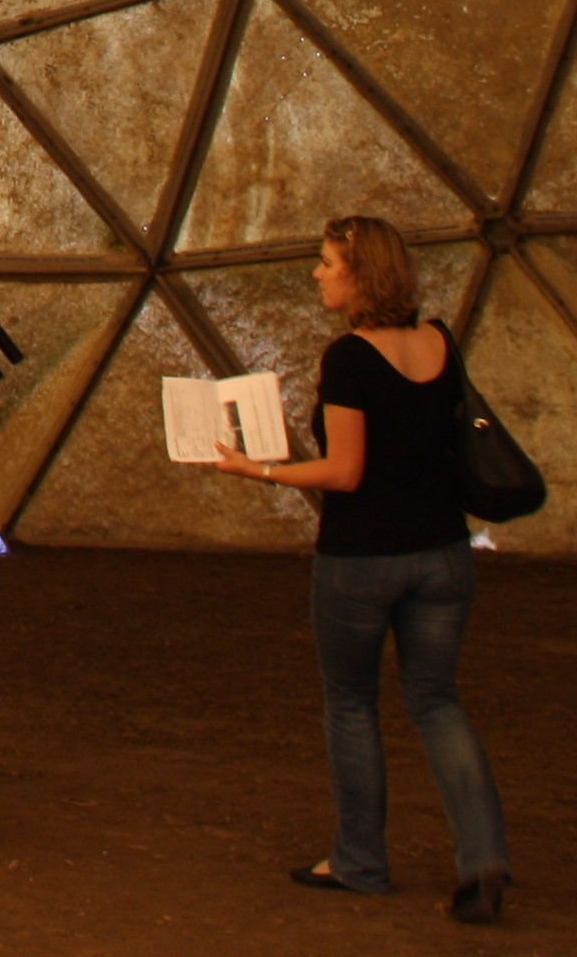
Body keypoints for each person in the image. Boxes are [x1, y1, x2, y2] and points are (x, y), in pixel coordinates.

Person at [216, 215, 512, 925]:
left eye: (328, 263)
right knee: (437, 701)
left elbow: (345, 471)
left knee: (351, 705)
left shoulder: (350, 359)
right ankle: (483, 858)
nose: (318, 274)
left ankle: (360, 861)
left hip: (362, 560)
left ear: (361, 274)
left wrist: (258, 470)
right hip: (443, 554)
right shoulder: (439, 342)